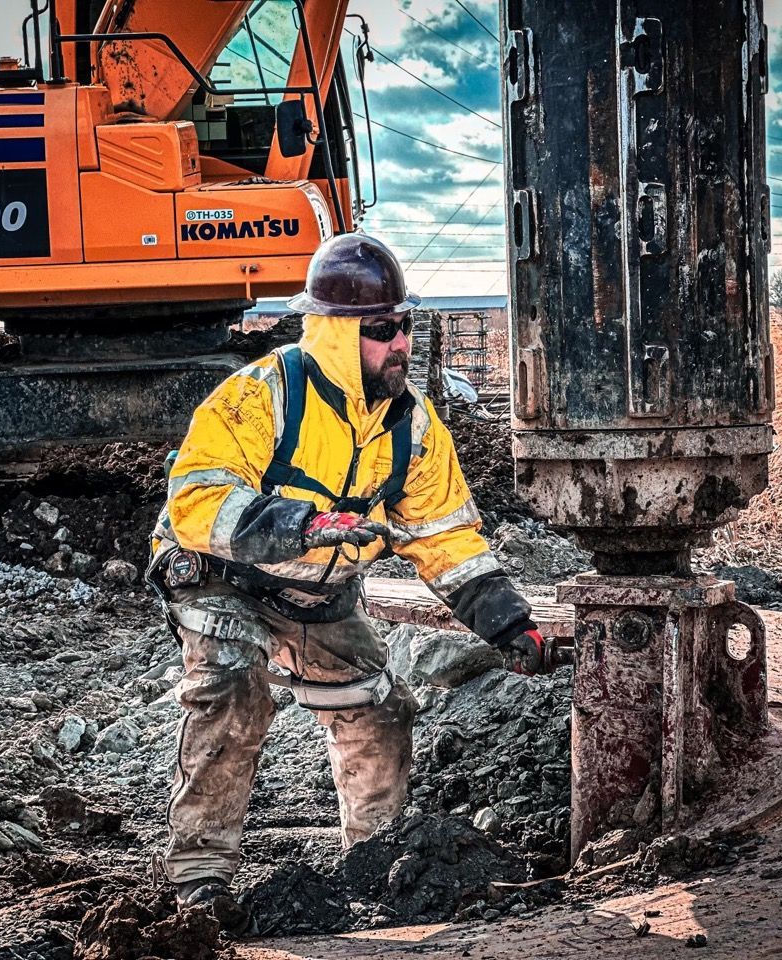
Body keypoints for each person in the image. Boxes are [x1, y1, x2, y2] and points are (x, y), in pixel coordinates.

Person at [146, 233, 544, 909]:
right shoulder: (260, 397)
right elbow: (198, 500)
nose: (400, 343)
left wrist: (510, 626)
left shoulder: (411, 428)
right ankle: (198, 881)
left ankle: (374, 863)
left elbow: (445, 536)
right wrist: (300, 525)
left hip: (321, 594)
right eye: (382, 329)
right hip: (222, 578)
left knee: (380, 710)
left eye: (405, 325)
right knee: (234, 688)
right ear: (335, 333)